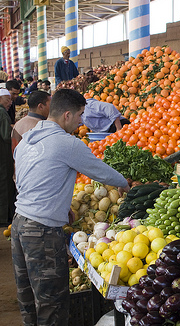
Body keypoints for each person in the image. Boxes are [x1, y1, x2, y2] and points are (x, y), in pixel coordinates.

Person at [11, 88, 129, 326]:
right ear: (67, 115)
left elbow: (24, 180)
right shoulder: (67, 143)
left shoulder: (28, 140)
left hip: (19, 223)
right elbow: (100, 170)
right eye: (80, 115)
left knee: (28, 299)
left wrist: (58, 204)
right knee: (51, 305)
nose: (80, 121)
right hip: (42, 232)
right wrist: (125, 184)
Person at [0, 88, 15, 226]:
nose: (10, 102)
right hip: (3, 155)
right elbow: (6, 136)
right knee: (4, 184)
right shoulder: (2, 113)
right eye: (7, 99)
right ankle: (4, 218)